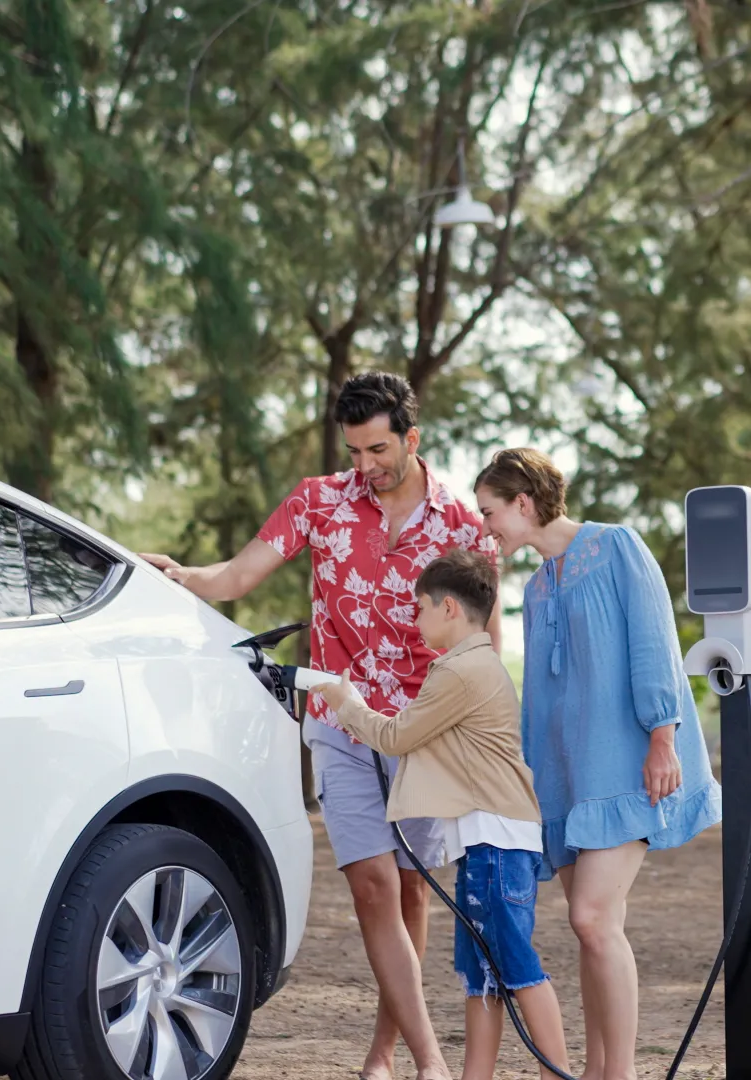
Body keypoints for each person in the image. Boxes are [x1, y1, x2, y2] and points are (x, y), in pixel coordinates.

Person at [139, 372, 496, 1080]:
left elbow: (481, 638)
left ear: (411, 438)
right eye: (354, 451)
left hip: (427, 728)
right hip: (341, 721)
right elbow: (239, 575)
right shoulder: (320, 501)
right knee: (371, 885)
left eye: (377, 450)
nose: (364, 467)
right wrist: (180, 576)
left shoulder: (461, 523)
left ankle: (386, 1050)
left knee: (412, 888)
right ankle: (430, 1061)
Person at [473, 448, 721, 1080]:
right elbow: (541, 695)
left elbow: (654, 643)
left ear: (523, 503)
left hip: (631, 766)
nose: (486, 527)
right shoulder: (534, 586)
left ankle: (624, 1073)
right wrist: (528, 776)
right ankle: (597, 1070)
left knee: (590, 918)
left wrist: (662, 738)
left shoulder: (617, 547)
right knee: (594, 928)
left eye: (490, 512)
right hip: (570, 778)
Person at [314, 549, 570, 1080]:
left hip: (496, 841)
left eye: (420, 608)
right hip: (487, 842)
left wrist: (345, 701)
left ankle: (558, 1074)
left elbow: (395, 736)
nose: (414, 619)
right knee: (482, 976)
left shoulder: (460, 673)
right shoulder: (473, 666)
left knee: (518, 971)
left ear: (449, 607)